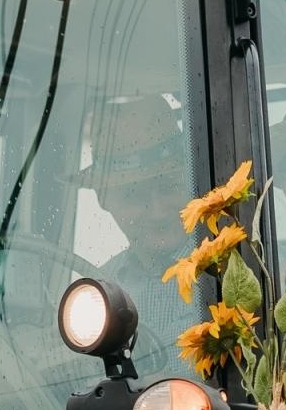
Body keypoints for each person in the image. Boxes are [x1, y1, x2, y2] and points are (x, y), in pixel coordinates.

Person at [78, 95, 202, 362]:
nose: (157, 211)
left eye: (169, 187)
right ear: (103, 197)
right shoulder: (93, 298)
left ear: (192, 179)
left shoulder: (242, 272)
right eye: (133, 196)